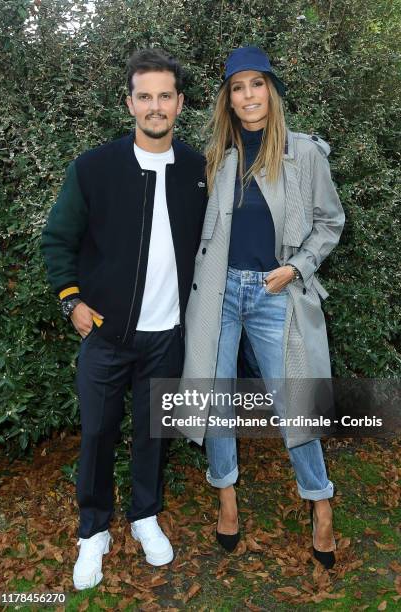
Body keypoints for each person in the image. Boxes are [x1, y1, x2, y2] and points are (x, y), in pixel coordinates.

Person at [41, 48, 207, 589]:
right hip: (107, 334)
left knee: (152, 434)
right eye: (145, 96)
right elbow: (58, 238)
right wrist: (72, 300)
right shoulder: (93, 168)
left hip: (167, 337)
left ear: (180, 103)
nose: (155, 106)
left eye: (165, 96)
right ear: (130, 103)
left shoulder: (197, 171)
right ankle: (93, 530)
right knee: (97, 433)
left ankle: (143, 516)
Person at [181, 46, 345, 568]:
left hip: (277, 293)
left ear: (270, 91)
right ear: (227, 99)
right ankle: (226, 497)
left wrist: (297, 267)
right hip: (221, 294)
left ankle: (321, 504)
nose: (248, 96)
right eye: (237, 87)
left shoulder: (304, 153)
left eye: (256, 84)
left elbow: (329, 222)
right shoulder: (220, 157)